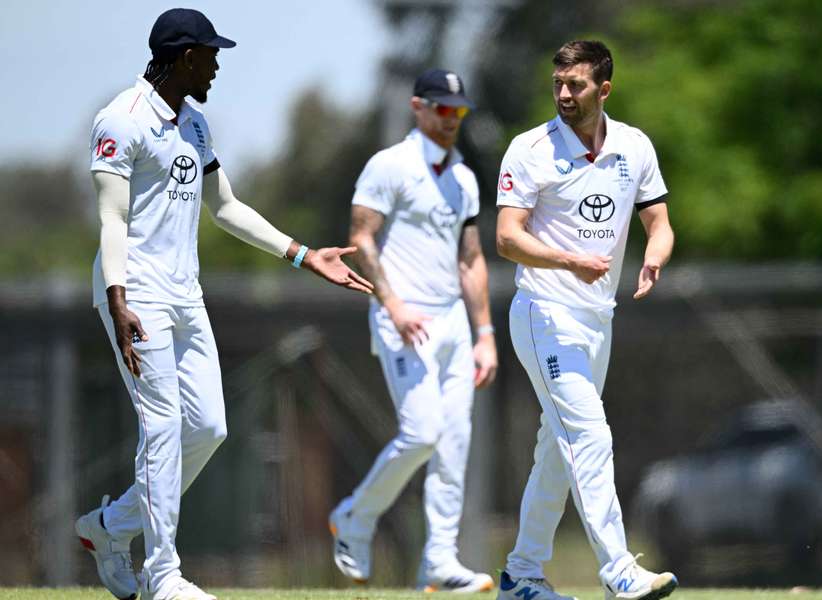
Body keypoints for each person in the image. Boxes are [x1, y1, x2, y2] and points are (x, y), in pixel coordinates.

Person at [75, 9, 373, 600]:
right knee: (161, 427)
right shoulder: (122, 119)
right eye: (210, 55)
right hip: (136, 294)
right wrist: (118, 297)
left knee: (207, 426)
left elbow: (226, 206)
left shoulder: (196, 124)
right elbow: (110, 216)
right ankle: (163, 576)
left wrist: (303, 254)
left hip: (187, 295)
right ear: (186, 57)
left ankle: (110, 529)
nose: (215, 66)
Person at [494, 40, 677, 600]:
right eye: (558, 84)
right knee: (589, 435)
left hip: (600, 320)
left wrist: (654, 255)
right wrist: (569, 260)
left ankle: (521, 577)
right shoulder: (529, 150)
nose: (565, 94)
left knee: (558, 448)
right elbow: (506, 238)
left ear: (604, 88)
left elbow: (660, 222)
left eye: (576, 85)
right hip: (543, 315)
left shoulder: (634, 146)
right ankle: (618, 569)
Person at [328, 68, 498, 593]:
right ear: (417, 107)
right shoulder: (390, 165)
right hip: (403, 318)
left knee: (454, 442)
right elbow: (361, 237)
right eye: (442, 109)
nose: (451, 120)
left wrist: (485, 332)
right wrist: (394, 304)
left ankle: (440, 562)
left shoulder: (463, 177)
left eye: (458, 111)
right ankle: (355, 516)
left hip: (452, 323)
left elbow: (470, 260)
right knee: (423, 432)